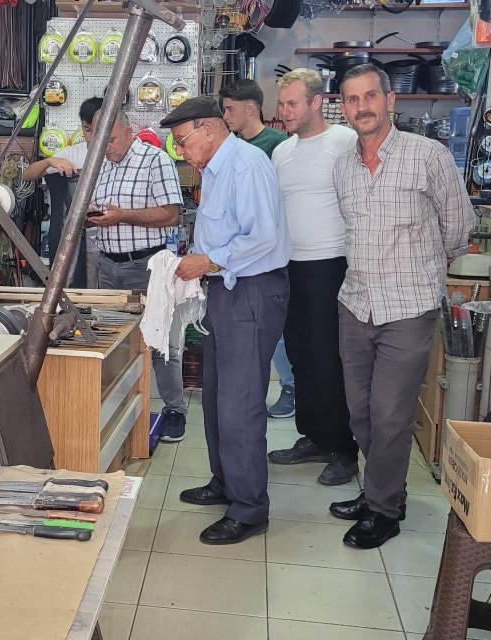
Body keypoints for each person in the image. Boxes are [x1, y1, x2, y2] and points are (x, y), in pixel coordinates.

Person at [327, 65, 471, 549]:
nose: (362, 106)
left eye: (370, 96)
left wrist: (425, 268)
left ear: (391, 100)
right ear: (343, 107)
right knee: (360, 414)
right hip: (356, 303)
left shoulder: (427, 156)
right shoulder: (343, 166)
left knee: (390, 414)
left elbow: (458, 228)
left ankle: (383, 509)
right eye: (352, 99)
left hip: (408, 307)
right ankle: (382, 490)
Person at [162, 97, 290, 545]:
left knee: (240, 404)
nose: (180, 151)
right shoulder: (215, 170)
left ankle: (250, 507)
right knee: (217, 396)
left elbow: (264, 236)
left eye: (183, 141)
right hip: (225, 292)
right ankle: (225, 482)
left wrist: (208, 261)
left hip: (251, 293)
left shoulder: (246, 165)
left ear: (209, 129)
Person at [265, 68, 361, 487]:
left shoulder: (344, 142)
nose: (283, 112)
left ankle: (342, 448)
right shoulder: (282, 152)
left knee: (328, 360)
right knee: (300, 356)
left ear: (317, 102)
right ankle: (313, 436)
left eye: (291, 103)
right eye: (281, 103)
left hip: (330, 265)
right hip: (290, 266)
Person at [85, 109, 188, 442]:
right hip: (108, 266)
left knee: (160, 341)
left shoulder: (155, 160)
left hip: (145, 266)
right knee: (113, 341)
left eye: (111, 139)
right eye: (100, 139)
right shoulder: (99, 164)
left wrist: (122, 216)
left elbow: (172, 214)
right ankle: (119, 405)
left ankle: (174, 409)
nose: (107, 146)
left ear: (129, 131)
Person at [218, 78, 294, 419]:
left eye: (230, 108)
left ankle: (290, 386)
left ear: (251, 108)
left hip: (270, 254)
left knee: (276, 334)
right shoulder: (230, 146)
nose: (225, 115)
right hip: (240, 261)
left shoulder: (278, 145)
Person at [20, 97, 103, 288]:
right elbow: (27, 175)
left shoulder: (116, 154)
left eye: (96, 130)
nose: (90, 137)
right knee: (81, 298)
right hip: (77, 244)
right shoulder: (73, 153)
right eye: (86, 130)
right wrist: (49, 161)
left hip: (111, 243)